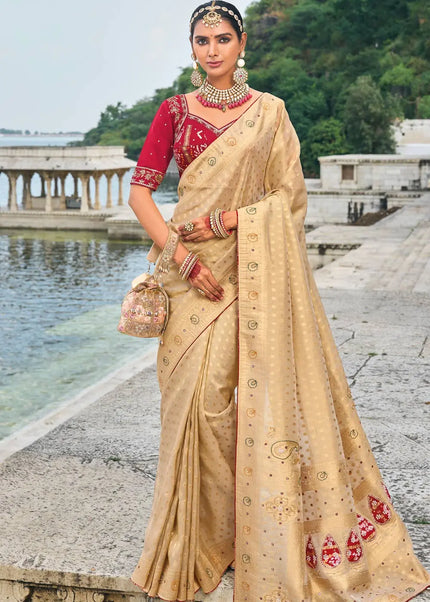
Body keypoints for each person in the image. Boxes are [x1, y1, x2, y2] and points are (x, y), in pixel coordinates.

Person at [127, 2, 430, 600]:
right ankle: (202, 541)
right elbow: (141, 192)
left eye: (221, 38)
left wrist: (227, 221)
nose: (211, 49)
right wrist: (181, 255)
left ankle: (250, 535)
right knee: (195, 408)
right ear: (192, 49)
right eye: (200, 40)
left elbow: (288, 203)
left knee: (241, 402)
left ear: (242, 44)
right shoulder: (173, 113)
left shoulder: (270, 115)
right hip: (187, 278)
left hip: (248, 274)